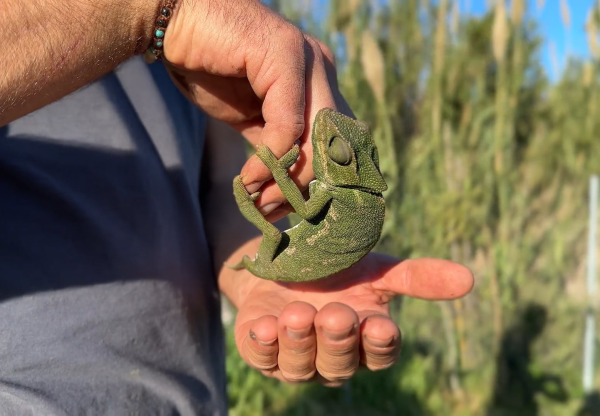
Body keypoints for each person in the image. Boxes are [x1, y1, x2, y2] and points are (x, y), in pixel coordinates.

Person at [1, 0, 474, 414]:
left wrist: (249, 273)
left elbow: (219, 188)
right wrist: (150, 13)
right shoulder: (176, 14)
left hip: (186, 382)